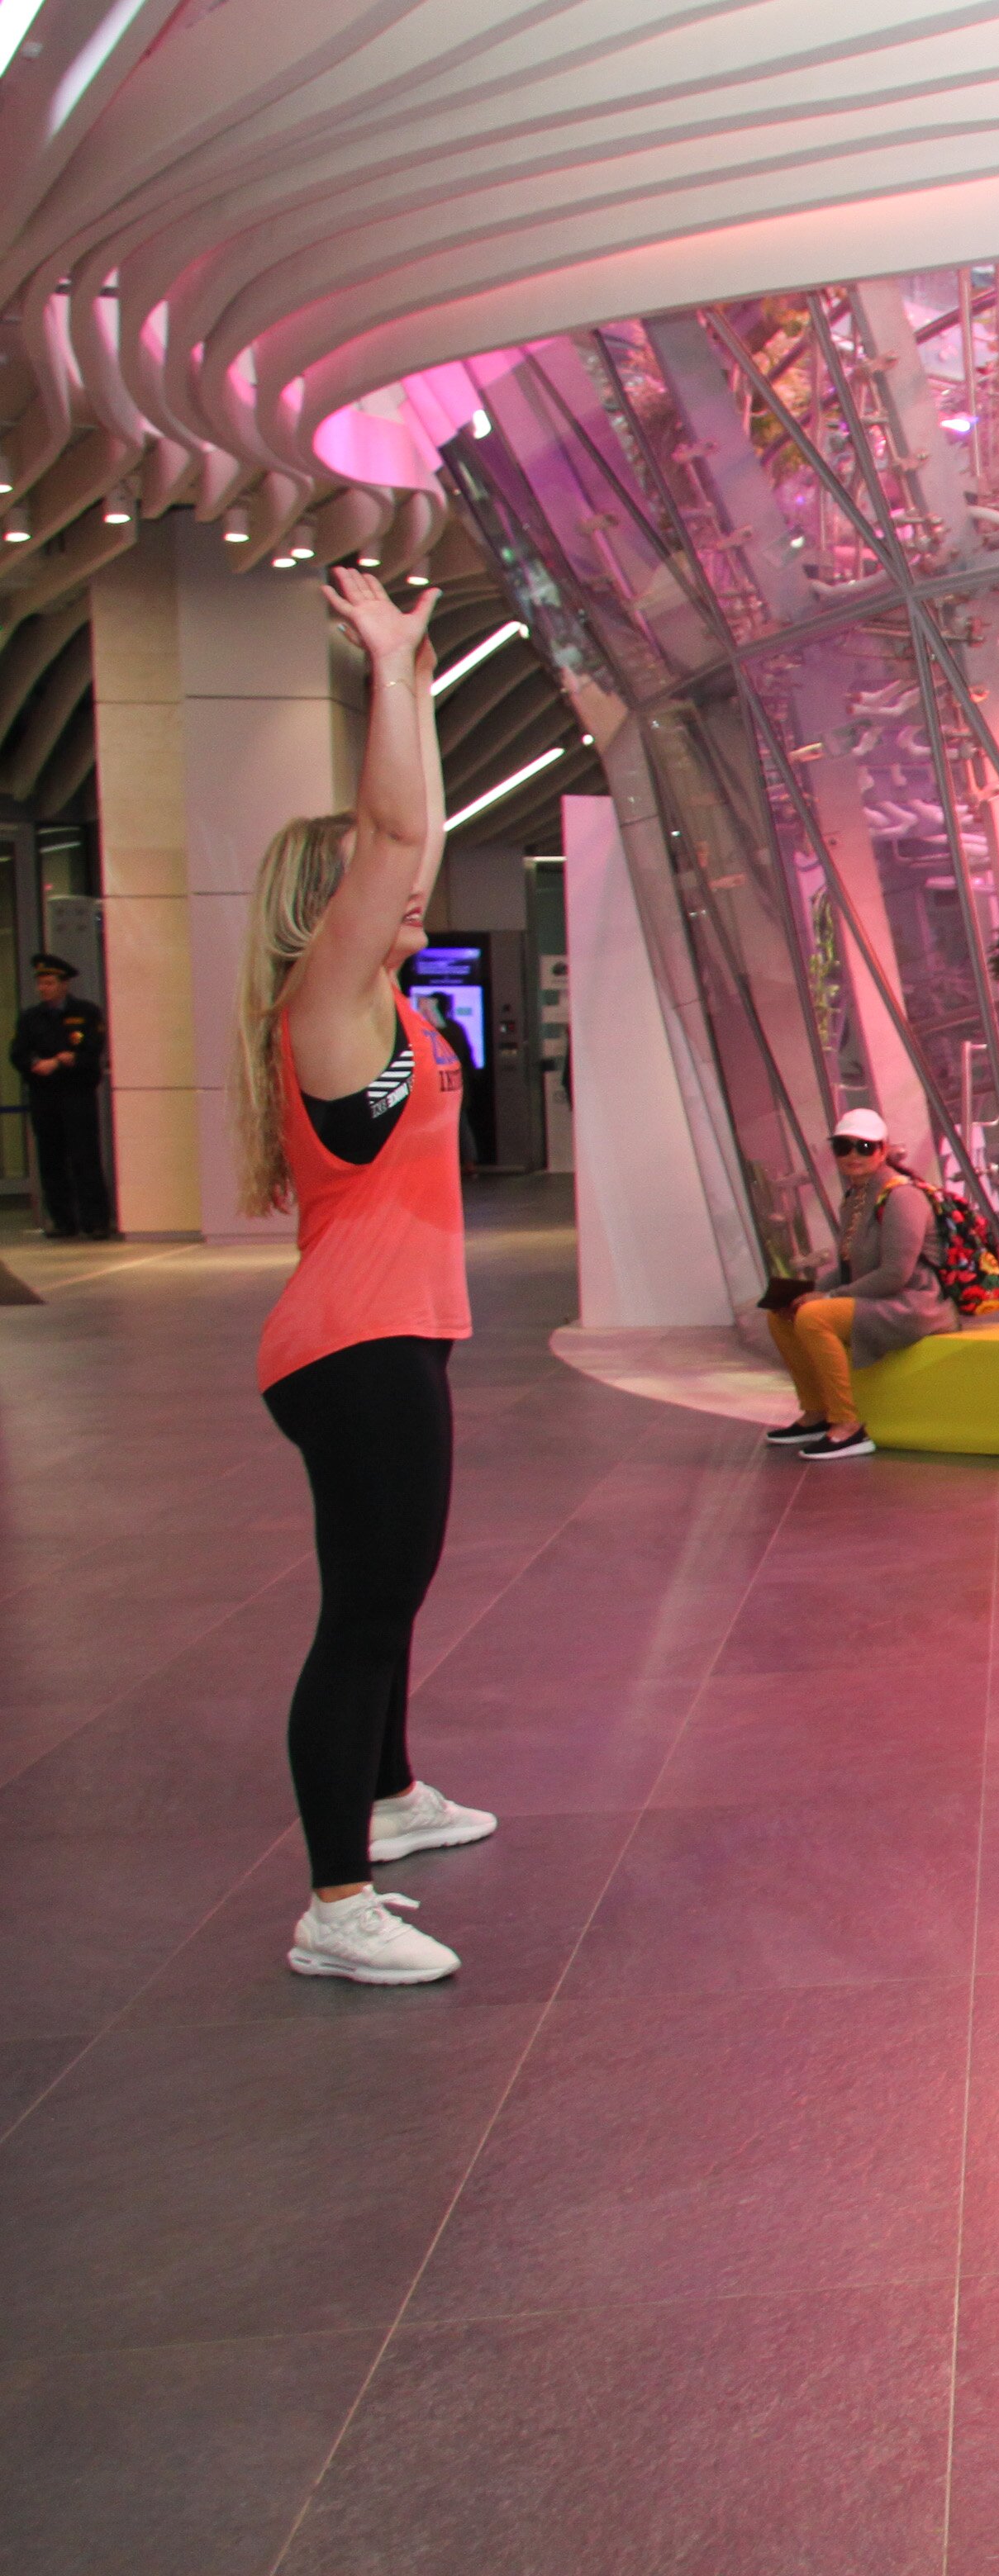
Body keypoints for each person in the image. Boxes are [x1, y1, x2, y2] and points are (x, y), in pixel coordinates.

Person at [238, 569, 497, 1987]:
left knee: (392, 1593)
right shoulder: (326, 1001)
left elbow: (419, 828)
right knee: (362, 1617)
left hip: (387, 1335)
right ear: (324, 905)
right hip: (355, 1346)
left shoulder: (387, 997)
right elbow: (396, 833)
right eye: (375, 882)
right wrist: (387, 669)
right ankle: (334, 1905)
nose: (408, 887)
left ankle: (390, 1795)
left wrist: (422, 691)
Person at [762, 1109, 959, 1460]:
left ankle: (847, 1426)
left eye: (865, 1147)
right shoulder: (856, 1198)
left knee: (814, 1317)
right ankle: (816, 1414)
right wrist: (807, 1293)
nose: (853, 1155)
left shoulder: (901, 1197)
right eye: (844, 1147)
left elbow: (894, 1275)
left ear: (883, 1150)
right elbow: (848, 1266)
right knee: (782, 1314)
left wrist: (828, 1297)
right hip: (881, 1298)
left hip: (914, 1304)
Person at [17, 952, 111, 1238]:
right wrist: (36, 1063)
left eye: (49, 983)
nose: (43, 988)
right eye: (41, 983)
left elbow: (92, 1050)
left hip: (77, 1094)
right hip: (45, 1095)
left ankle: (95, 1220)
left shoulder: (86, 1013)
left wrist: (64, 1060)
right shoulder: (31, 1018)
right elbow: (18, 1053)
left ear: (64, 984)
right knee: (51, 1159)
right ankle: (62, 1220)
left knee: (84, 1157)